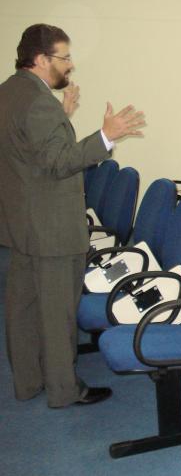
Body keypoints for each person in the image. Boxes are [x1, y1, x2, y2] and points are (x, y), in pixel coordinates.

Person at [0, 24, 145, 408]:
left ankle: (28, 382)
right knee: (57, 313)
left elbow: (30, 154)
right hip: (52, 229)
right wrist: (105, 137)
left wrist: (62, 117)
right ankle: (65, 391)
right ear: (42, 59)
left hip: (22, 225)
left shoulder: (9, 93)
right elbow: (58, 162)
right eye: (64, 57)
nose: (69, 65)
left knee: (23, 310)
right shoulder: (39, 102)